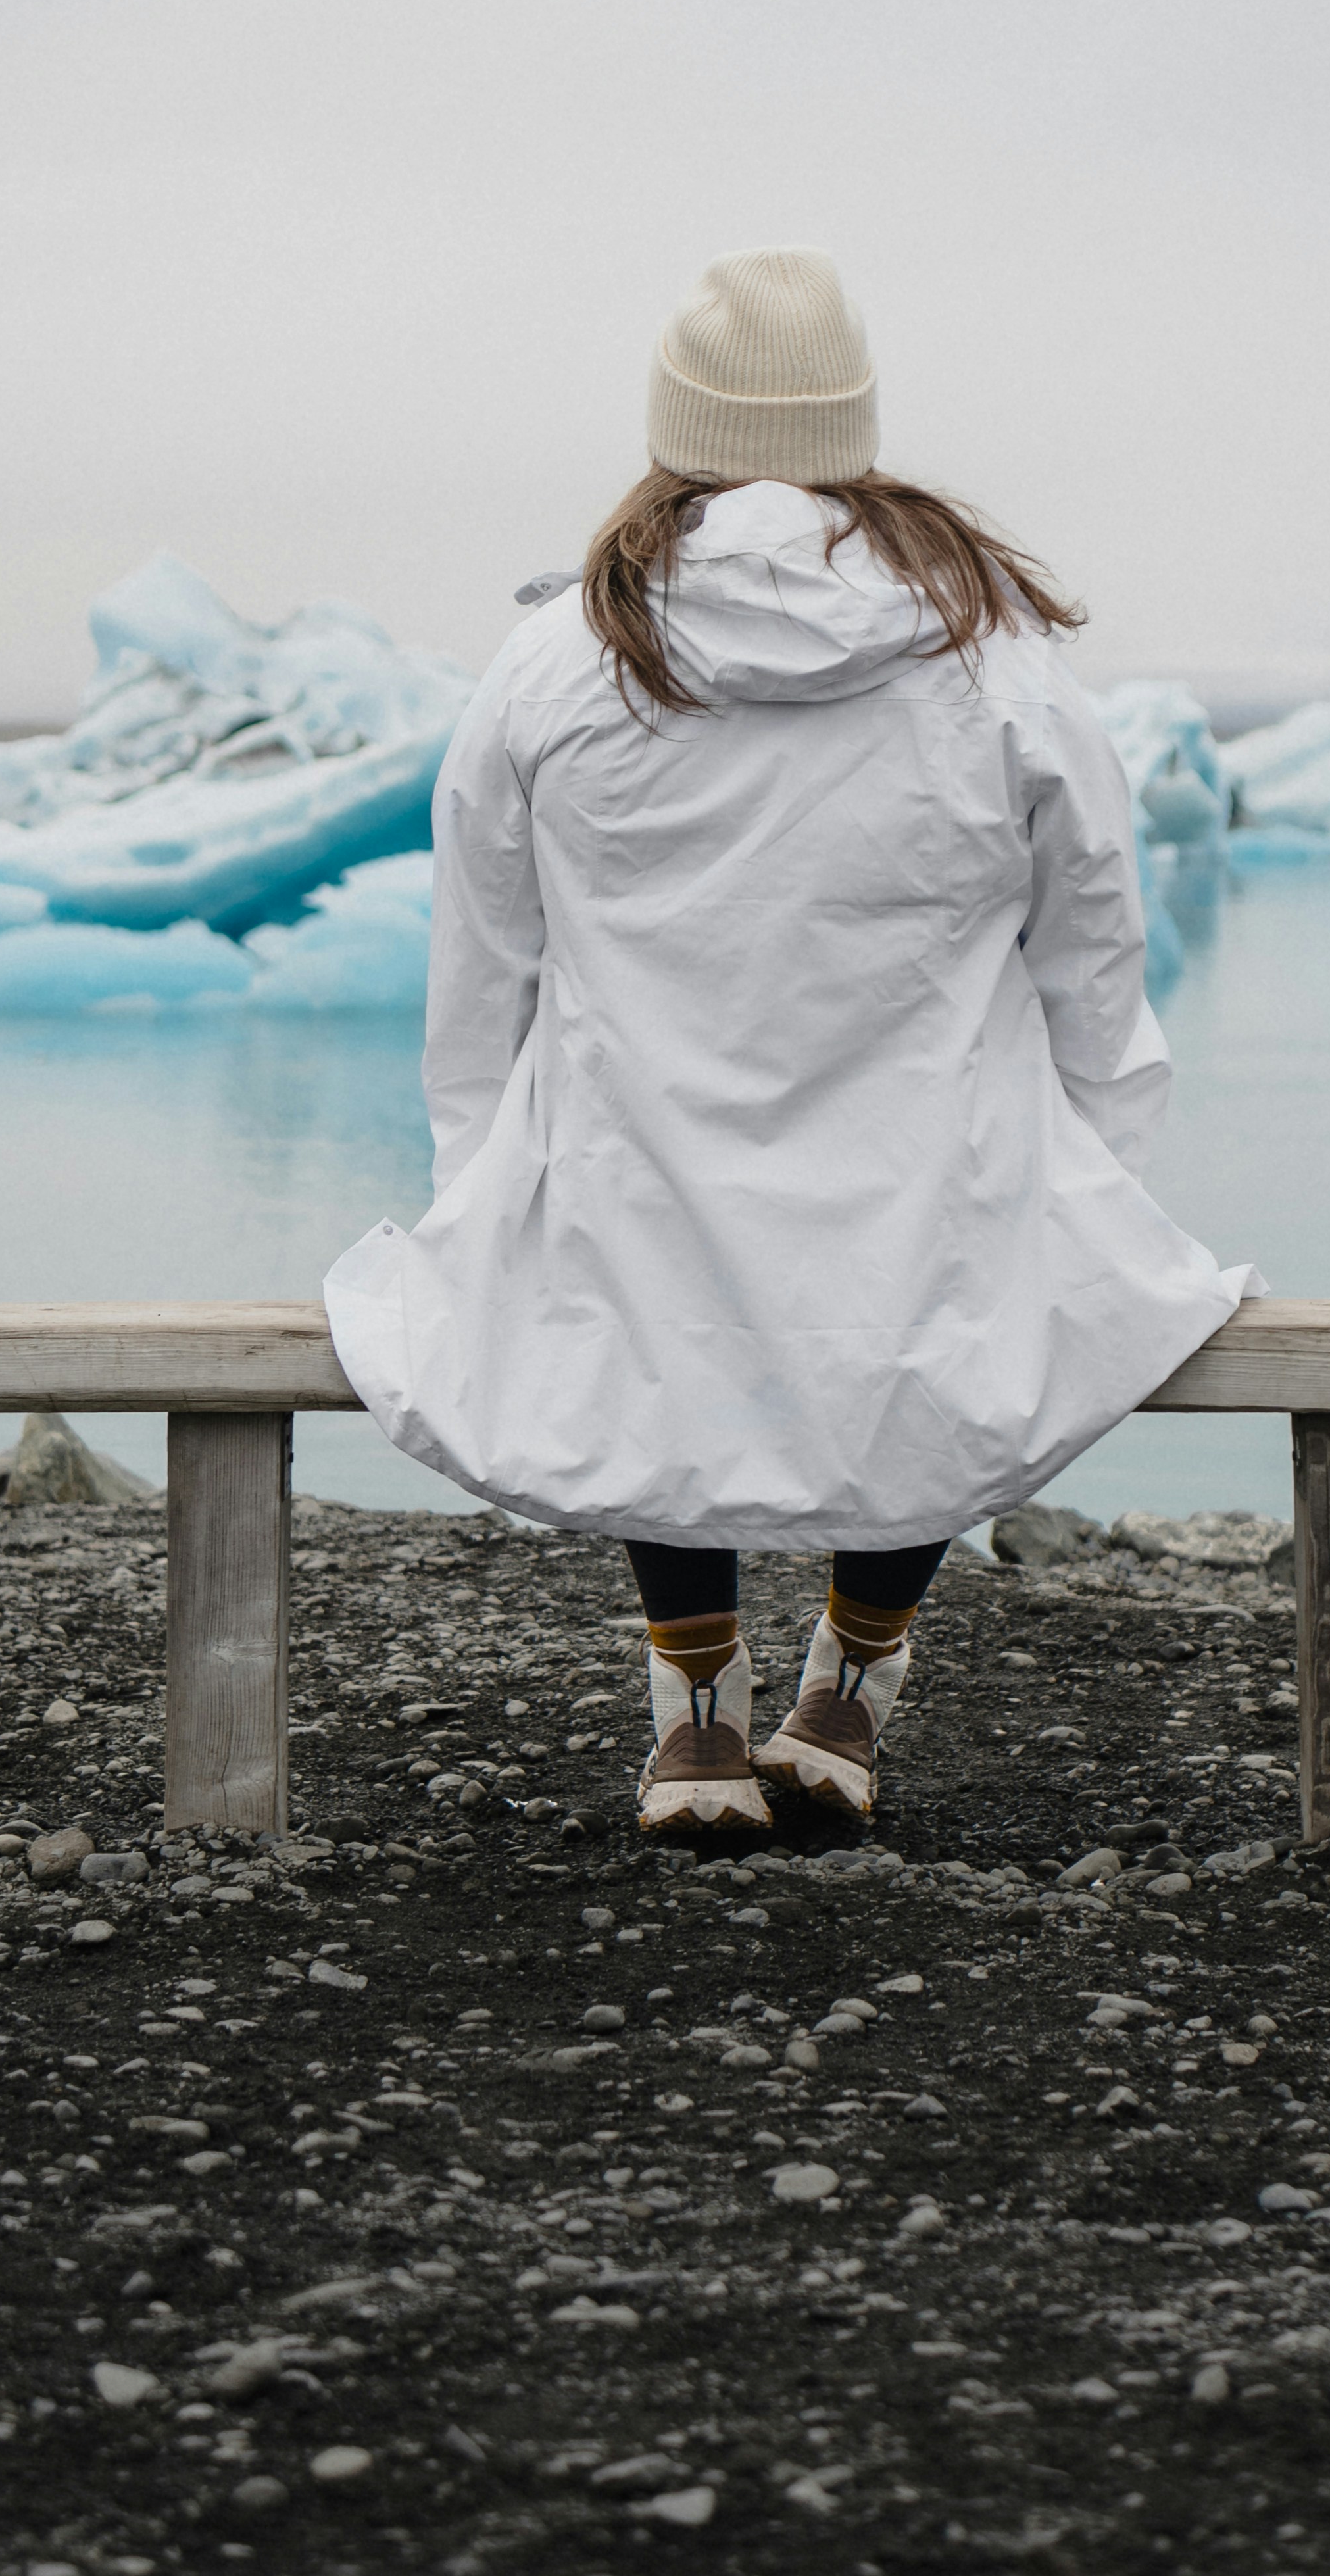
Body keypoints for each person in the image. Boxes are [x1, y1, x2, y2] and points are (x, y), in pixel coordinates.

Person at [326, 249, 1252, 1839]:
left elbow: (483, 965)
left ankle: (694, 1719)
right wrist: (1094, 1171)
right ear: (854, 432)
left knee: (634, 1269)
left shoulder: (560, 662)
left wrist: (485, 1175)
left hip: (632, 1199)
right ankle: (851, 1685)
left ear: (677, 429)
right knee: (963, 1291)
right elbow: (1097, 947)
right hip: (935, 1195)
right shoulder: (1000, 660)